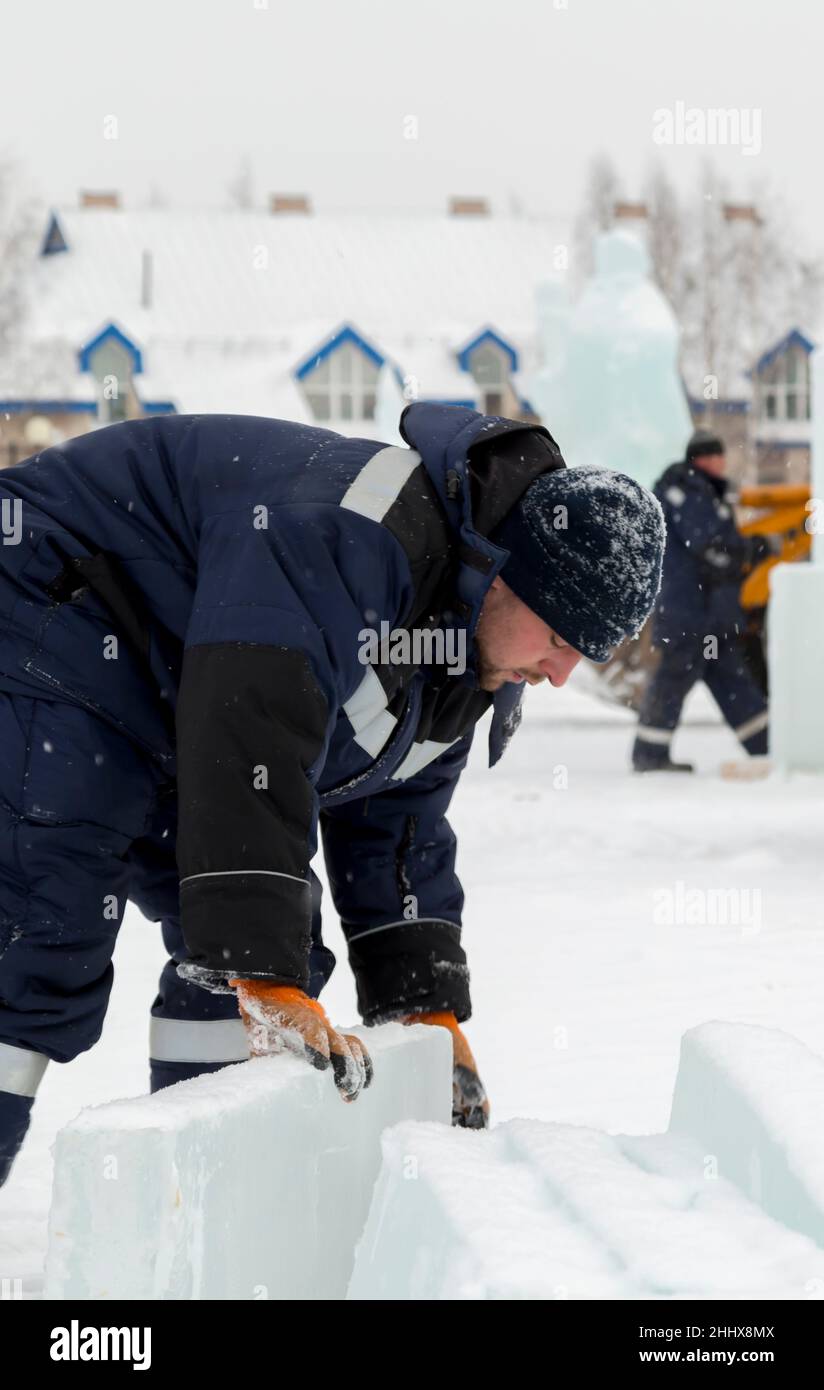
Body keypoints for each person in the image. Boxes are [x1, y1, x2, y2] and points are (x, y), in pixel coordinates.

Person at [0, 402, 665, 1185]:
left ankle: (195, 1217)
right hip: (55, 581)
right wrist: (262, 968)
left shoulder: (465, 648)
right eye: (558, 638)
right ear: (505, 577)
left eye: (582, 655)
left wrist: (419, 1001)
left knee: (255, 960)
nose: (560, 674)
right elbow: (253, 721)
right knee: (45, 913)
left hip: (176, 676)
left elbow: (396, 818)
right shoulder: (354, 535)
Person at [632, 429, 770, 773]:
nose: (717, 463)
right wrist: (750, 548)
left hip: (712, 616)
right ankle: (649, 754)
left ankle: (767, 749)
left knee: (733, 681)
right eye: (711, 457)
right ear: (697, 460)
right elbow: (710, 545)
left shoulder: (699, 491)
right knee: (674, 679)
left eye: (719, 456)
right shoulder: (689, 493)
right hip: (690, 614)